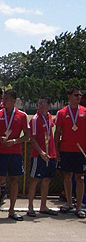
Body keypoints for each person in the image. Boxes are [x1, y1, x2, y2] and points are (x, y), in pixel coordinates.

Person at [0, 90, 30, 221]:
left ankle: (12, 210)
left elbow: (27, 135)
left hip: (15, 153)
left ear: (14, 101)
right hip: (1, 153)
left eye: (7, 99)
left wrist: (15, 141)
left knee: (14, 180)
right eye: (4, 99)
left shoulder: (22, 116)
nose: (4, 101)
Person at [54, 87, 86, 218]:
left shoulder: (85, 111)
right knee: (67, 176)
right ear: (69, 96)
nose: (78, 97)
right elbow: (57, 133)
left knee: (80, 178)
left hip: (81, 151)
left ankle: (79, 206)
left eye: (79, 95)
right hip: (66, 150)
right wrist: (56, 150)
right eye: (75, 95)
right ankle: (68, 202)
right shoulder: (62, 113)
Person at [26, 96, 58, 217]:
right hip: (38, 154)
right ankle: (30, 206)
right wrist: (41, 152)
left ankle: (43, 206)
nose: (40, 105)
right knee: (35, 179)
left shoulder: (49, 116)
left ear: (48, 105)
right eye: (39, 103)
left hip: (50, 153)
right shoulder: (35, 119)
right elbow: (32, 138)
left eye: (42, 103)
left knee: (47, 179)